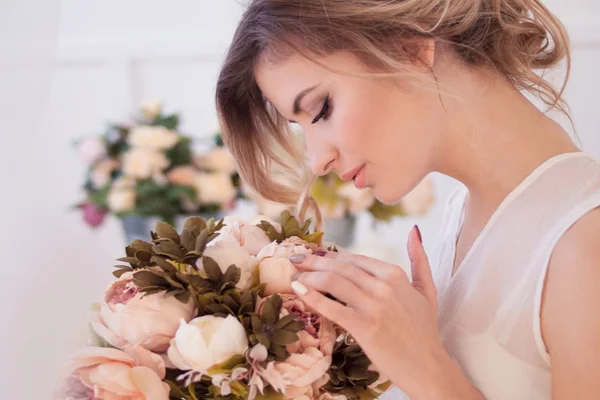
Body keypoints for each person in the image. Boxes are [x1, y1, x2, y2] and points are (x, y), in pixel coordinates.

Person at [215, 1, 600, 398]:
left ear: (409, 46)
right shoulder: (466, 212)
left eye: (321, 108)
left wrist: (426, 369)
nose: (318, 160)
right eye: (300, 128)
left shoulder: (585, 243)